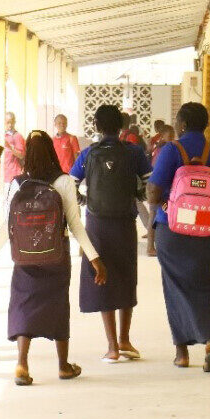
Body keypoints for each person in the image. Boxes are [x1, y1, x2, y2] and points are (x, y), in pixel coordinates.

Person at [0, 130, 106, 386]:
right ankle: (63, 366)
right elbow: (75, 225)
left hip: (23, 256)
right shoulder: (64, 181)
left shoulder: (17, 184)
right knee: (58, 305)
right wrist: (95, 258)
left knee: (23, 304)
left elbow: (8, 226)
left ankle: (22, 364)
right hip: (56, 255)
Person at [147, 102, 210, 372]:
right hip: (207, 228)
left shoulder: (171, 150)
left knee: (174, 286)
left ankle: (182, 353)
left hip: (173, 229)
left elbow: (152, 192)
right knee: (208, 284)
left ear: (182, 125)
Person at [71, 105, 152, 362]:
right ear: (121, 127)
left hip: (97, 225)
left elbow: (71, 185)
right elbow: (150, 184)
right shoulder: (135, 152)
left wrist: (85, 202)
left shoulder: (87, 154)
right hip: (124, 223)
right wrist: (136, 196)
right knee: (126, 277)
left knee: (102, 278)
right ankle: (126, 339)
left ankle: (112, 346)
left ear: (96, 126)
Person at [145, 125, 175, 257]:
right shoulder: (163, 150)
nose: (173, 138)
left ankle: (152, 246)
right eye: (170, 135)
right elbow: (156, 169)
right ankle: (150, 247)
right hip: (156, 188)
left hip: (158, 187)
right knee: (153, 215)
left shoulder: (162, 148)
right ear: (163, 136)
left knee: (154, 214)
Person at [2, 112, 25, 191]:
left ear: (14, 122)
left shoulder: (17, 136)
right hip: (3, 174)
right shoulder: (2, 135)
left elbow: (21, 155)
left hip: (13, 174)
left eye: (12, 122)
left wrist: (10, 147)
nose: (10, 125)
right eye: (8, 122)